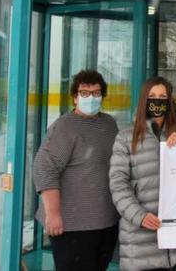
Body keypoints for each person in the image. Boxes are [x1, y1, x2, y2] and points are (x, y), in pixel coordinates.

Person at [109, 76, 176, 271]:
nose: (157, 101)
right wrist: (139, 216)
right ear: (144, 99)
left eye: (162, 97)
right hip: (141, 242)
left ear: (169, 101)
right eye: (152, 96)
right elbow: (118, 185)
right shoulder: (126, 137)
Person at [33, 69, 120, 271]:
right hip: (72, 227)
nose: (91, 98)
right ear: (75, 97)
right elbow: (45, 168)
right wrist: (53, 213)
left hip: (106, 223)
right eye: (85, 93)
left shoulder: (109, 124)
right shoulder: (65, 127)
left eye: (96, 93)